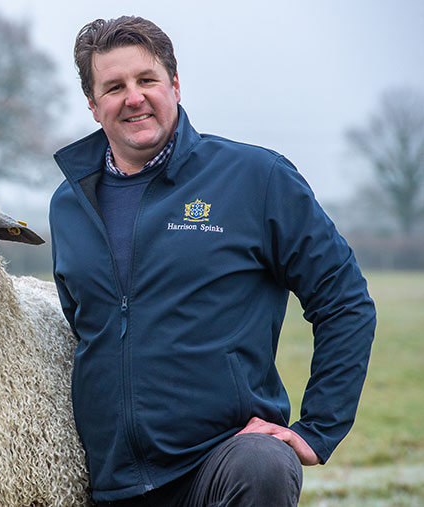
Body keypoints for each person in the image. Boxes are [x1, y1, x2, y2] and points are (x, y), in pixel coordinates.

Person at [49, 15, 376, 506]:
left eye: (147, 80)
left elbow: (344, 299)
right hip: (111, 477)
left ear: (175, 85)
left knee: (264, 462)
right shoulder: (68, 204)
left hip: (222, 461)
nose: (133, 97)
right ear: (94, 107)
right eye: (114, 87)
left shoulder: (255, 177)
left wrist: (320, 427)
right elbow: (86, 324)